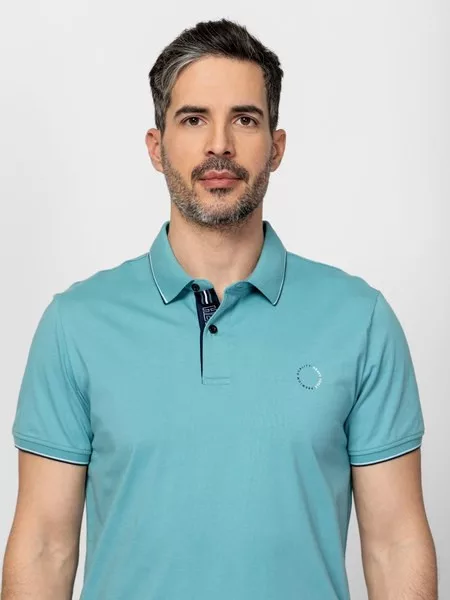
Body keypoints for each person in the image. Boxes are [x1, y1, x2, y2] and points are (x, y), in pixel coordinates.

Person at [2, 18, 437, 600]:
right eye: (193, 119)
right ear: (156, 147)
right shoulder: (75, 325)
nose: (220, 145)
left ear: (276, 147)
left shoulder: (361, 322)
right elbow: (44, 547)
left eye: (245, 119)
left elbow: (394, 545)